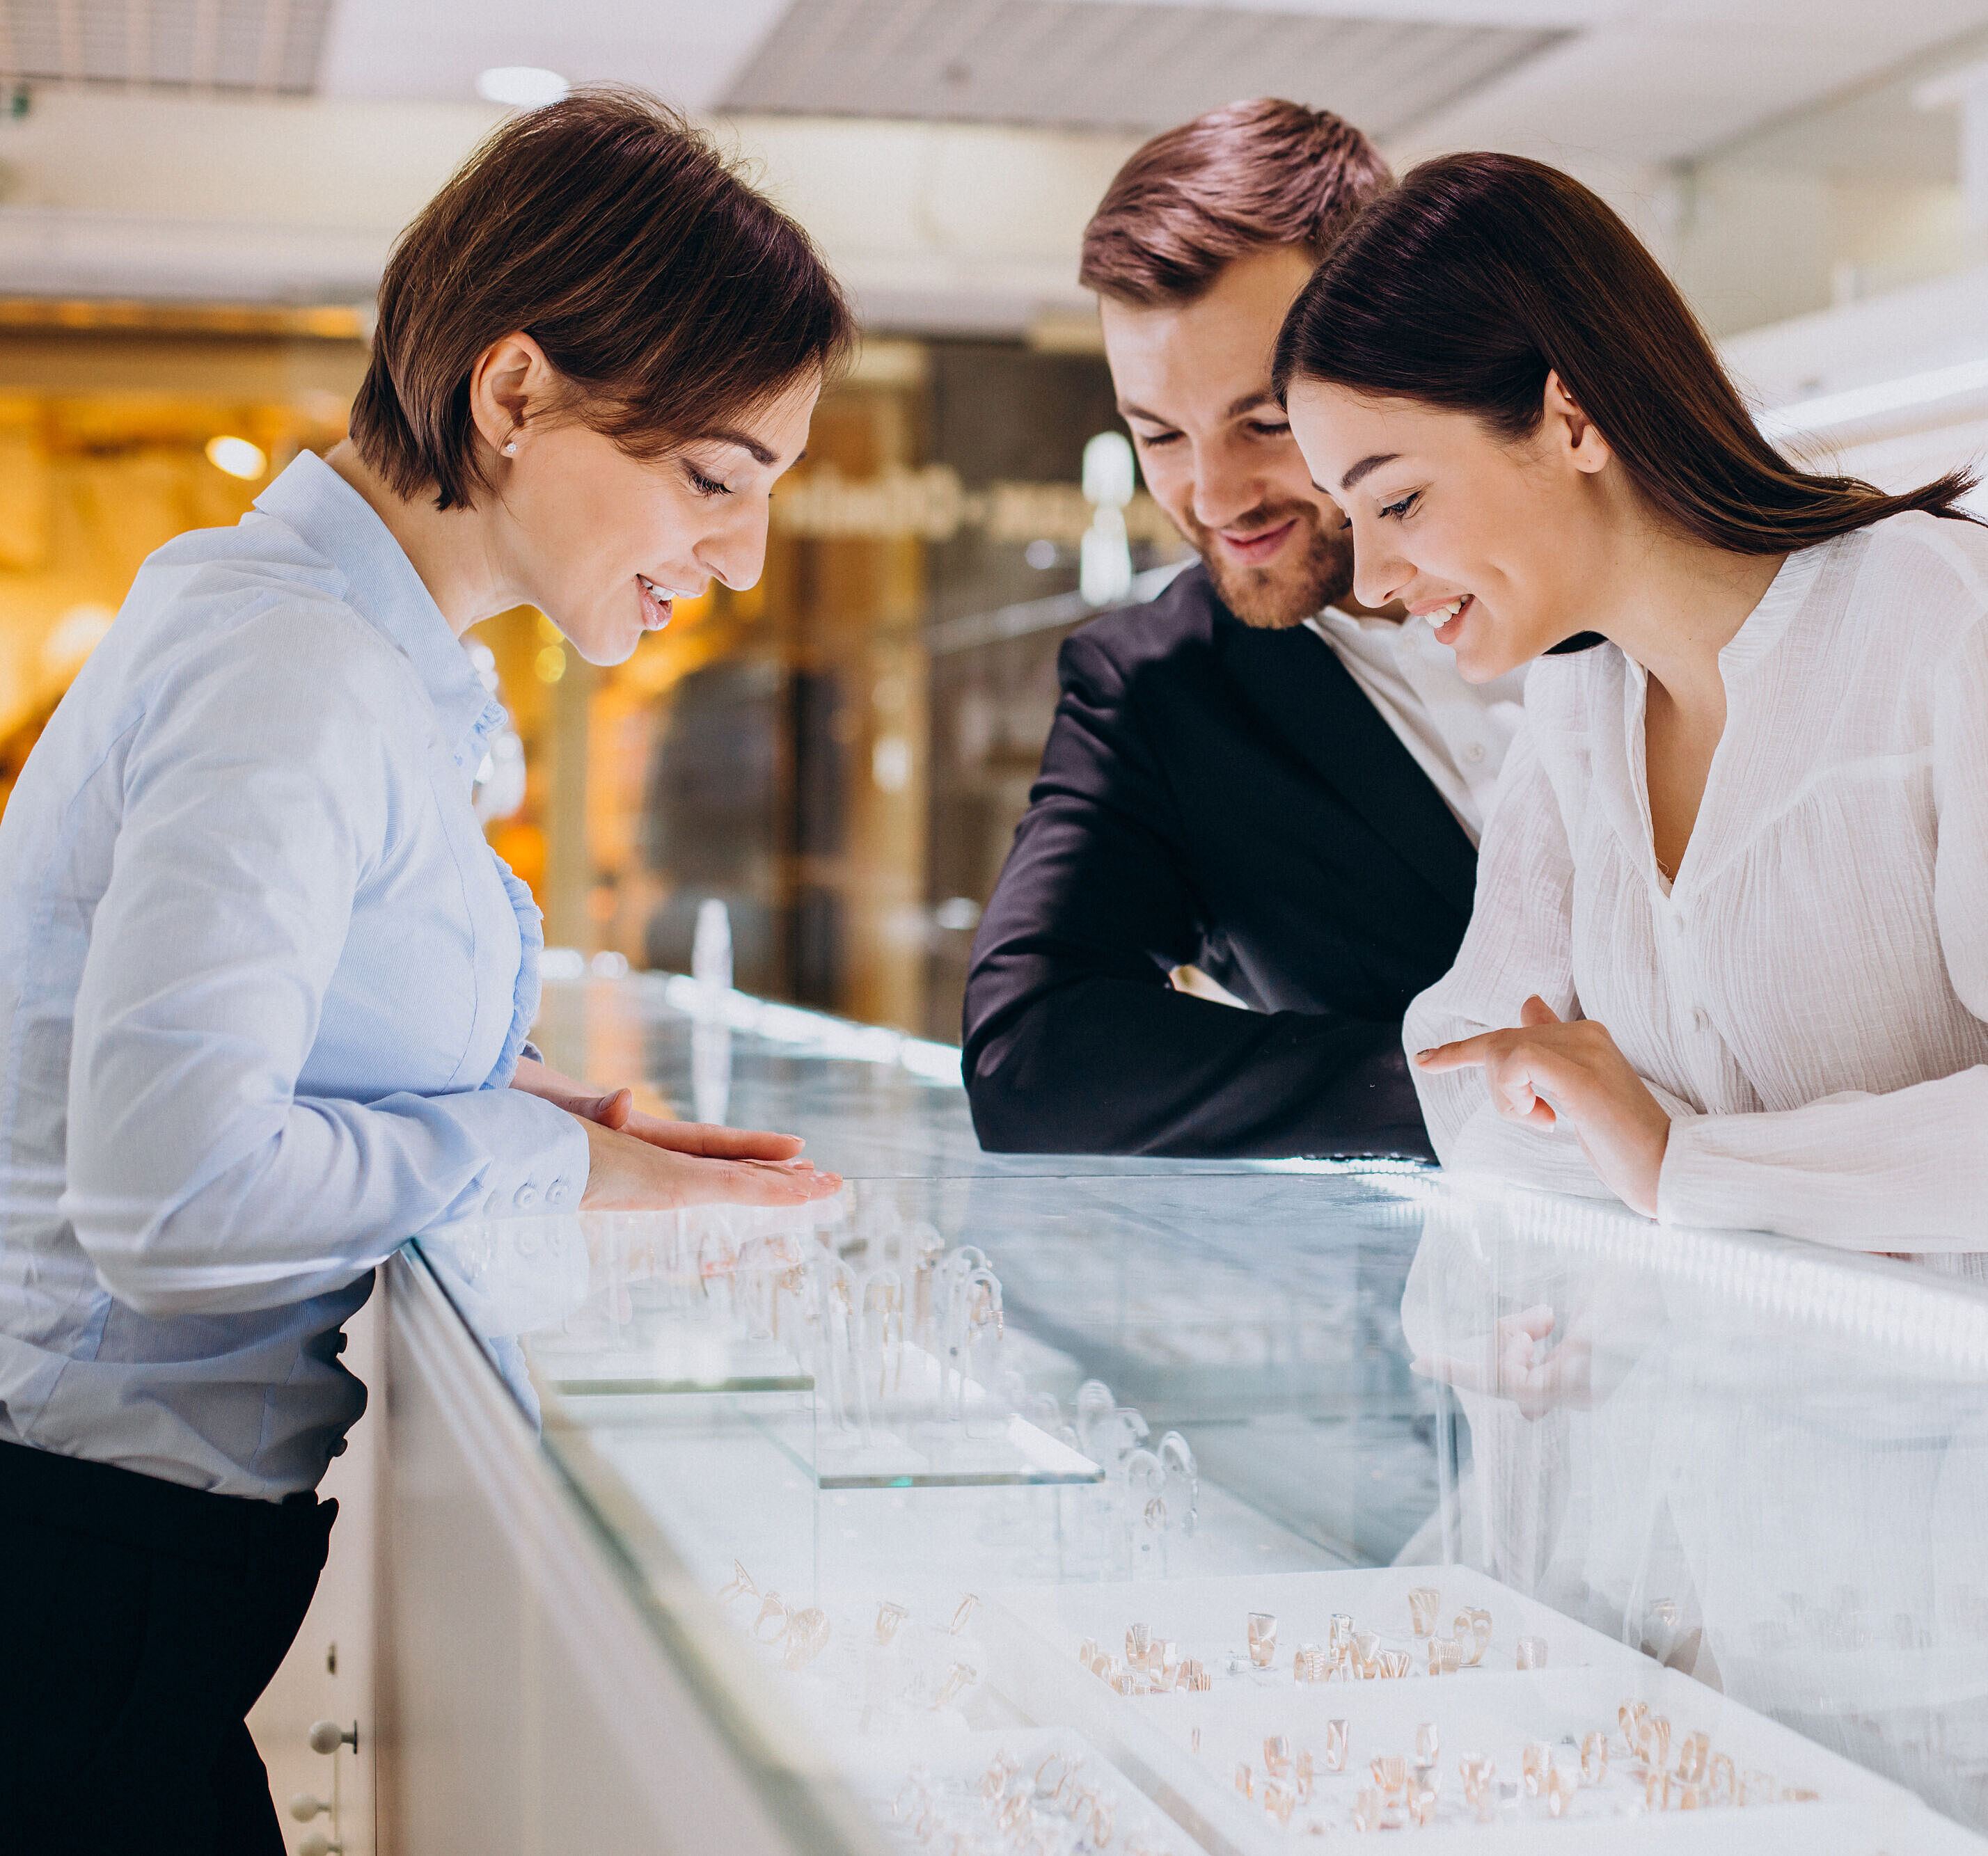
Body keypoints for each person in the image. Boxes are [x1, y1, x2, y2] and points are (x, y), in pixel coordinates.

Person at [0, 90, 849, 1853]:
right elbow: (173, 1191)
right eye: (711, 477)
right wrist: (554, 1159)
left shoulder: (340, 652)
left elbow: (274, 1030)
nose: (740, 554)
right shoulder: (295, 671)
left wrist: (536, 1105)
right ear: (516, 390)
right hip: (69, 1558)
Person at [1276, 150, 1988, 1257]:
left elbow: (1610, 1141)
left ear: (1572, 416)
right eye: (1350, 518)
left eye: (1399, 500)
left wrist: (1676, 1161)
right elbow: (1465, 1077)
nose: (1370, 578)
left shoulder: (1942, 623)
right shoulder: (1578, 702)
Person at [963, 100, 1529, 1159]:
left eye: (1265, 421)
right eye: (1159, 434)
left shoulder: (1602, 573)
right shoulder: (1158, 689)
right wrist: (1469, 1094)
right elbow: (1028, 1056)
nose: (1216, 497)